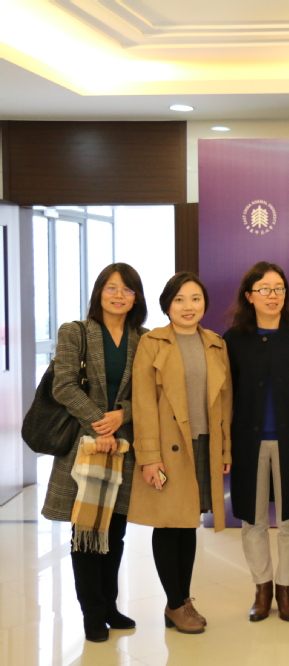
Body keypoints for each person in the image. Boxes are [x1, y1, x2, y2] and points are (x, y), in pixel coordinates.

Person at [41, 263, 148, 643]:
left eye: (127, 289)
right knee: (86, 532)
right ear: (99, 292)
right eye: (111, 288)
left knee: (115, 533)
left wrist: (122, 415)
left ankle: (109, 606)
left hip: (122, 448)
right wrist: (100, 423)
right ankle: (91, 613)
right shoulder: (76, 332)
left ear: (136, 297)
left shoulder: (144, 339)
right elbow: (64, 386)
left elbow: (149, 394)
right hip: (83, 447)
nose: (119, 295)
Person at [129, 272, 233, 635]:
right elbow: (143, 402)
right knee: (167, 522)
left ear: (204, 303)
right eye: (180, 299)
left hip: (203, 444)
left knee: (188, 522)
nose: (188, 307)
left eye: (195, 299)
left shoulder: (216, 343)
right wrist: (149, 456)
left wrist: (225, 448)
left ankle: (181, 599)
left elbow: (225, 402)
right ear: (167, 305)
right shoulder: (152, 343)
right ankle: (175, 604)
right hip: (168, 448)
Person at [224, 262, 289, 623]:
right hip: (249, 441)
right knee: (253, 518)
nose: (272, 296)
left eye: (278, 289)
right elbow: (225, 395)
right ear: (249, 296)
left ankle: (285, 590)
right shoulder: (233, 339)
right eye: (264, 289)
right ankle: (262, 589)